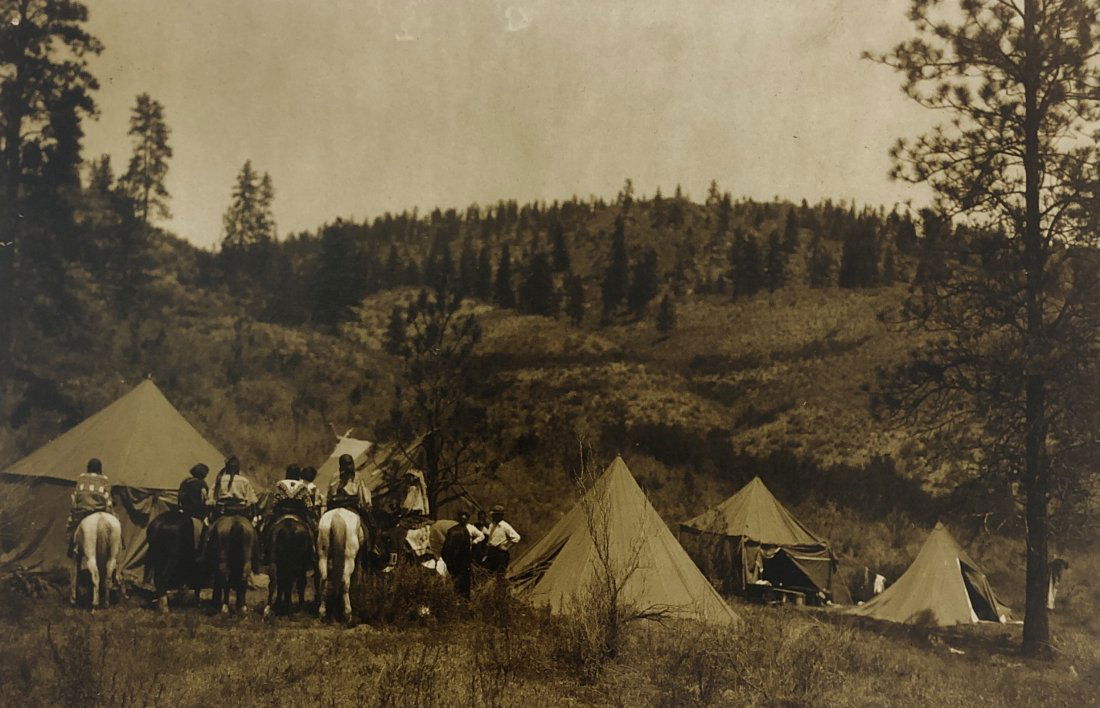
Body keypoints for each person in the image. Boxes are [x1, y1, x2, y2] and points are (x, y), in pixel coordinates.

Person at [208, 456, 261, 573]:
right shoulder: (244, 481)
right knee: (255, 534)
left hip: (223, 512)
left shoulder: (219, 479)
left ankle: (204, 555)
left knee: (208, 532)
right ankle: (256, 560)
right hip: (241, 512)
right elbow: (252, 500)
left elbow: (211, 499)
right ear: (238, 469)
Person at [262, 464, 316, 565]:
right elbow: (308, 504)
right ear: (298, 475)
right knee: (312, 530)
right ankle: (312, 552)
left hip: (282, 512)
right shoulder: (303, 486)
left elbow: (275, 501)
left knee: (266, 527)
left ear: (287, 473)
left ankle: (265, 551)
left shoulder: (280, 484)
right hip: (298, 513)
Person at [66, 458, 116, 557]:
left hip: (83, 511)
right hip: (100, 510)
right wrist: (111, 510)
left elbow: (76, 496)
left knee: (72, 526)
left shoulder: (82, 477)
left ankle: (72, 547)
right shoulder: (104, 479)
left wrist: (74, 509)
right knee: (115, 524)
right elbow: (108, 499)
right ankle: (119, 544)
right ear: (100, 469)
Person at [441, 510, 477, 598]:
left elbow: (444, 550)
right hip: (463, 565)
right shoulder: (465, 532)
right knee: (463, 588)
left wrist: (448, 563)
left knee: (455, 585)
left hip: (453, 564)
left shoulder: (452, 530)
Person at [326, 454, 372, 518]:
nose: (350, 467)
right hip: (350, 504)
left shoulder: (356, 476)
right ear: (342, 466)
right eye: (347, 464)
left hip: (341, 504)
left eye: (350, 463)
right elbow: (364, 496)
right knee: (368, 520)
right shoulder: (337, 478)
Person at [178, 463, 210, 550]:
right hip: (196, 513)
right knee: (207, 529)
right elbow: (205, 498)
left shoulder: (185, 481)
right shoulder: (202, 484)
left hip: (183, 510)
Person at [485, 505, 520, 574]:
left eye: (494, 515)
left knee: (500, 573)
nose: (493, 516)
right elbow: (490, 539)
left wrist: (507, 547)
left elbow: (517, 537)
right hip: (491, 552)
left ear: (500, 516)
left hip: (500, 553)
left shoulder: (505, 526)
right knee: (487, 572)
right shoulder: (491, 525)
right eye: (492, 515)